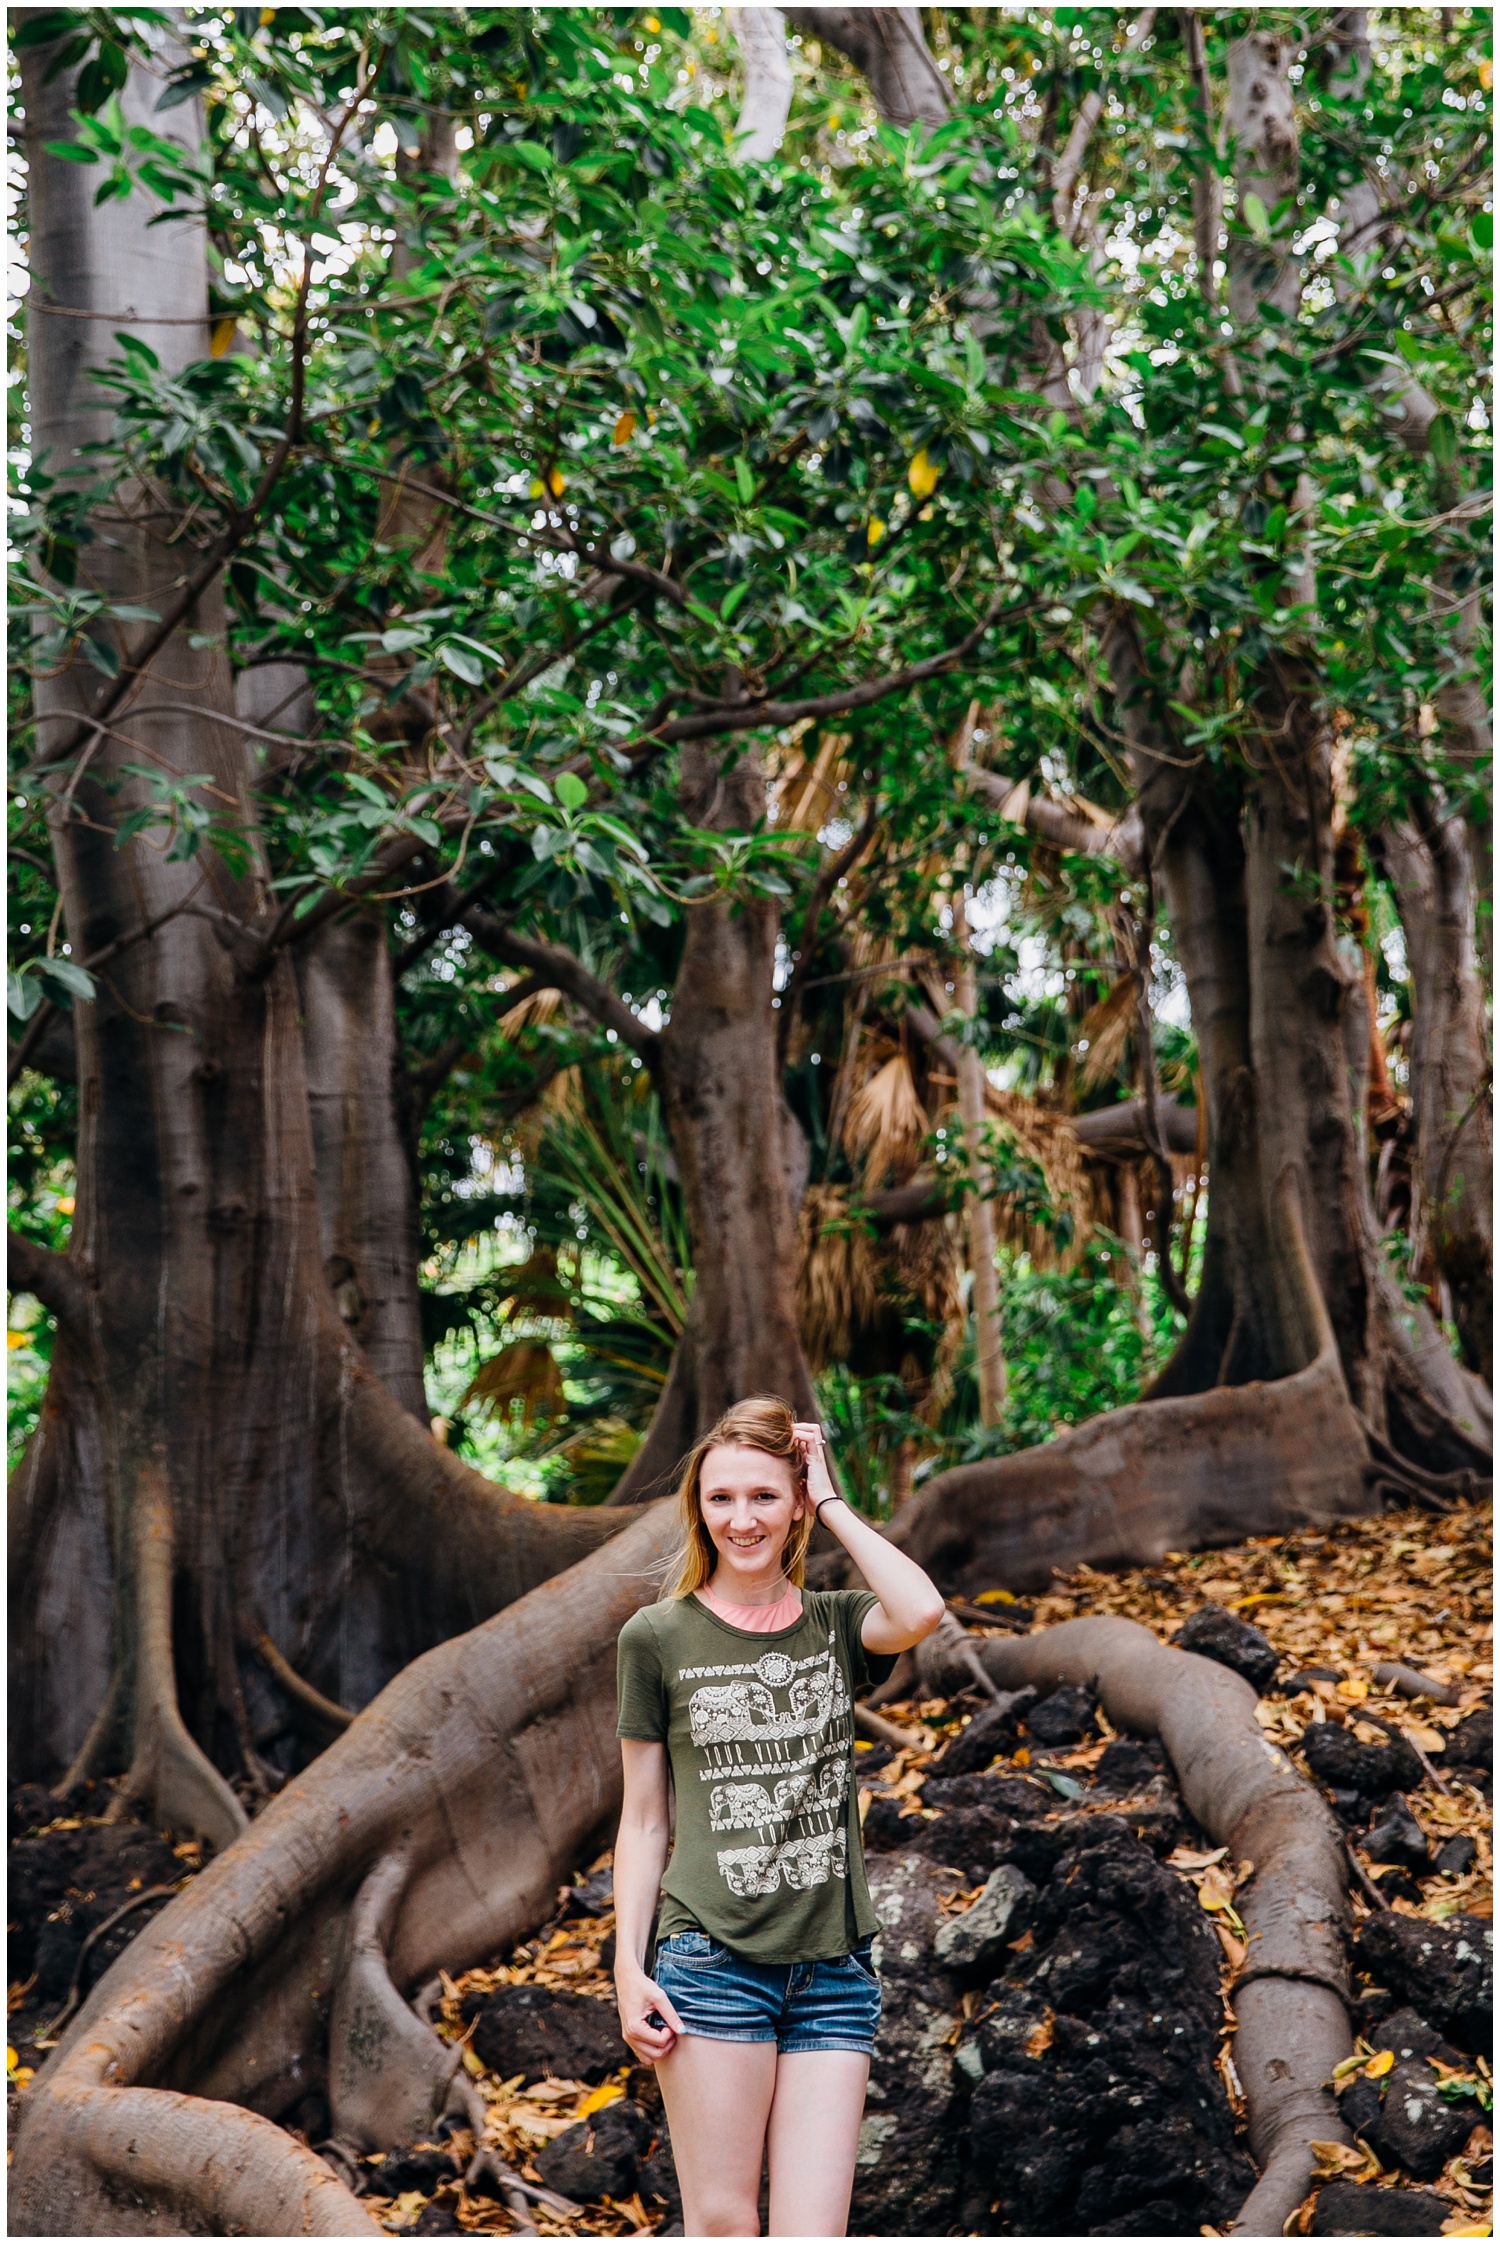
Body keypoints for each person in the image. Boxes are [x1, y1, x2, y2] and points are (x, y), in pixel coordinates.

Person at [612, 1395, 946, 2237]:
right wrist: (626, 1967)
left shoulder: (834, 1627)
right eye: (720, 1498)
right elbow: (645, 1822)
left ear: (793, 1502)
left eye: (763, 1495)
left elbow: (921, 1612)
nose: (741, 1518)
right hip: (711, 1961)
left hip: (833, 1970)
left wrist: (830, 1498)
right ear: (699, 1510)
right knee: (724, 2224)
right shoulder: (656, 1638)